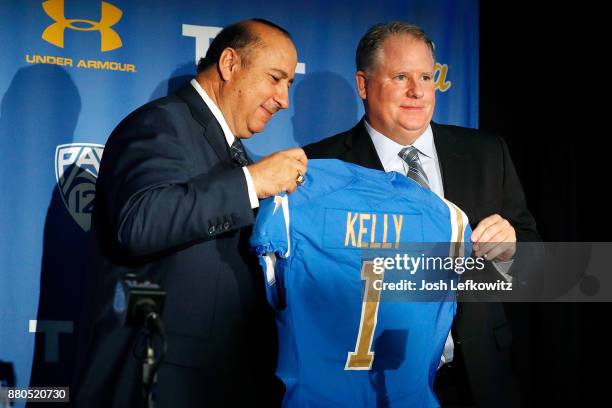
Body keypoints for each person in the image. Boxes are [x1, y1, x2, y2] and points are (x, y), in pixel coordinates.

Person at [304, 22, 541, 407]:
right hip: (370, 384)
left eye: (426, 77)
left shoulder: (485, 153)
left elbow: (538, 261)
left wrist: (512, 248)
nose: (417, 91)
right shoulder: (320, 166)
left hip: (478, 378)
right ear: (363, 86)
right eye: (401, 77)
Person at [73, 19, 307, 407]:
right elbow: (139, 222)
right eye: (275, 78)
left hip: (217, 381)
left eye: (289, 85)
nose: (284, 99)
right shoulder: (160, 123)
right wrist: (251, 183)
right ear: (230, 64)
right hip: (157, 382)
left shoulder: (234, 154)